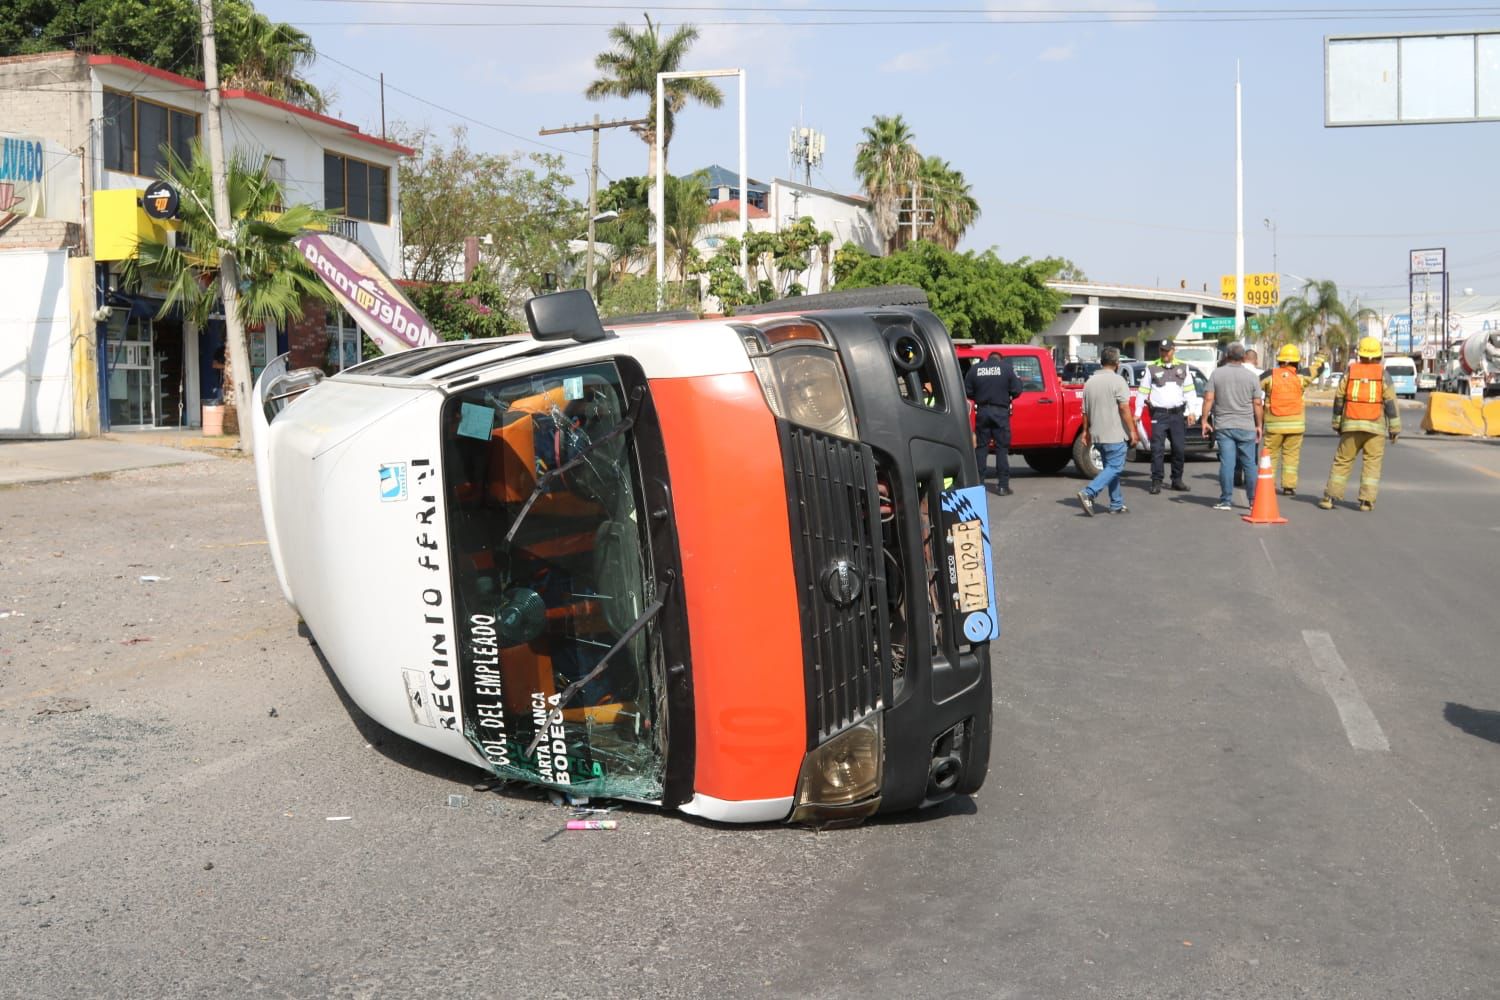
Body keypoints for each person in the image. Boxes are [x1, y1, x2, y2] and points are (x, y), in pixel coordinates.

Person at [1319, 336, 1400, 512]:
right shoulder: (1383, 375)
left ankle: (1330, 497)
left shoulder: (1350, 372)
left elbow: (1339, 398)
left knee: (1342, 461)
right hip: (1375, 428)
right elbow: (1390, 403)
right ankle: (1366, 501)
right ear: (1379, 355)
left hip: (1351, 425)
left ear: (1360, 354)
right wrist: (1394, 428)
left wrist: (1336, 422)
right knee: (1372, 464)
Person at [1075, 347, 1140, 515]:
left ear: (1101, 362)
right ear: (1117, 363)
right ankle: (1088, 493)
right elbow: (1124, 408)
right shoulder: (1118, 381)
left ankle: (1116, 503)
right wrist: (1132, 431)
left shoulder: (1089, 382)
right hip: (1114, 434)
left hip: (1097, 434)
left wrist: (1085, 432)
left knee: (1110, 469)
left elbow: (1085, 411)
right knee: (1115, 467)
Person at [1199, 342, 1264, 510]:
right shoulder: (1252, 377)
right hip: (1246, 426)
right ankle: (1253, 500)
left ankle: (1226, 500)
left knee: (1227, 464)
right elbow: (1257, 404)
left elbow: (1208, 399)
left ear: (1227, 356)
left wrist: (1204, 420)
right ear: (1243, 358)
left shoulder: (1217, 374)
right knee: (1250, 464)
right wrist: (1259, 425)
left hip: (1224, 426)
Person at [1259, 344, 1326, 496]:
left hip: (1274, 424)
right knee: (1291, 456)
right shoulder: (1302, 376)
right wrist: (1321, 356)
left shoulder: (1269, 375)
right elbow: (1318, 368)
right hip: (1295, 425)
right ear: (1297, 362)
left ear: (1279, 360)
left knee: (1271, 456)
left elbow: (1253, 387)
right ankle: (1289, 487)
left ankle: (1267, 484)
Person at [964, 350, 1024, 496]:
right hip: (1000, 412)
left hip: (982, 411)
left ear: (988, 359)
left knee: (981, 448)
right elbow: (1017, 390)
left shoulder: (975, 369)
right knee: (1001, 449)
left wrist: (980, 396)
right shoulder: (1006, 369)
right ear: (1000, 359)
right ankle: (1003, 486)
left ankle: (978, 484)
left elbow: (967, 391)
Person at [1142, 339, 1197, 494]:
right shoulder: (1151, 367)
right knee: (1157, 449)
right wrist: (1137, 413)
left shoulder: (1183, 367)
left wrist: (1192, 411)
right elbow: (1143, 391)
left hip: (1177, 414)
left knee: (1179, 448)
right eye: (1162, 350)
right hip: (1159, 414)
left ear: (1174, 350)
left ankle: (1177, 480)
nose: (1164, 354)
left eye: (1167, 350)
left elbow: (1190, 391)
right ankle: (1156, 480)